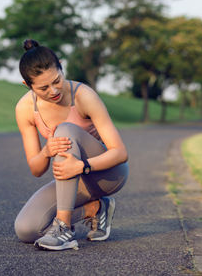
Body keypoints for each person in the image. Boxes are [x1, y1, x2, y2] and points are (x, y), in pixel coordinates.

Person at [13, 39, 129, 251]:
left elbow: (120, 153)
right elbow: (37, 169)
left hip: (108, 175)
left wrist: (82, 166)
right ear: (27, 86)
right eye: (43, 88)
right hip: (72, 179)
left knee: (63, 130)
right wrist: (47, 151)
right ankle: (95, 209)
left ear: (61, 65)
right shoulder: (25, 109)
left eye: (57, 80)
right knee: (26, 229)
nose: (54, 90)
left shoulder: (83, 96)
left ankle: (64, 228)